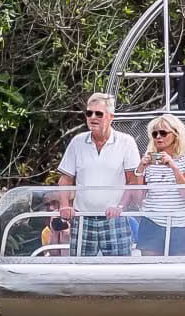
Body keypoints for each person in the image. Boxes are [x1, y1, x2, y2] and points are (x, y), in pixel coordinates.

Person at [56, 93, 141, 256]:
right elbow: (65, 179)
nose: (92, 117)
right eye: (89, 113)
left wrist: (121, 207)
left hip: (115, 219)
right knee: (80, 271)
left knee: (118, 272)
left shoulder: (126, 142)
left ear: (110, 117)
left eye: (98, 114)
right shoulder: (77, 142)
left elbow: (133, 181)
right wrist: (64, 205)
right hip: (83, 218)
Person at [134, 114, 185, 256]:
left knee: (179, 271)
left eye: (163, 133)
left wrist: (174, 167)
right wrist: (140, 169)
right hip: (152, 220)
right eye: (154, 133)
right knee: (150, 270)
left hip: (179, 222)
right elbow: (138, 198)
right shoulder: (149, 158)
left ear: (175, 134)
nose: (158, 137)